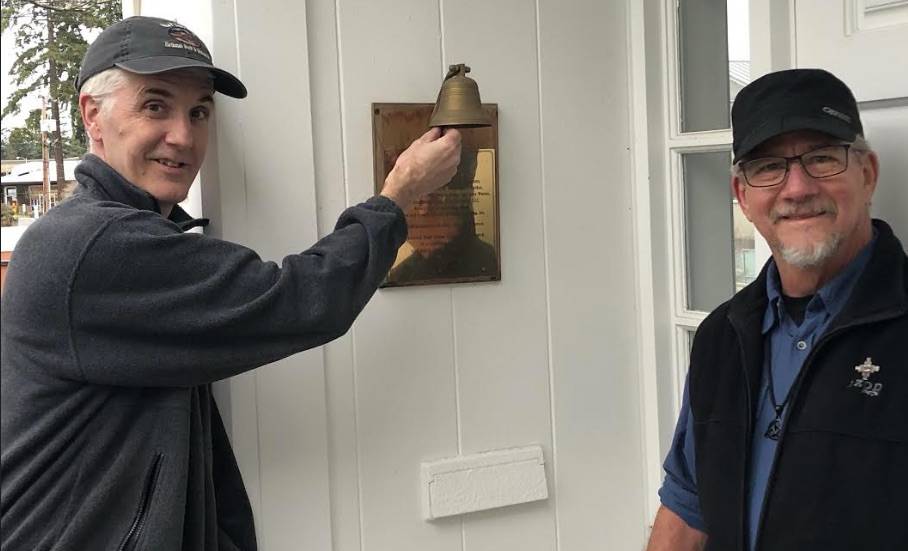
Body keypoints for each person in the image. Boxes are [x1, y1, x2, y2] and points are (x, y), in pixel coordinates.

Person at [0, 16, 460, 551]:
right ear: (92, 115)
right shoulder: (92, 246)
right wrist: (399, 194)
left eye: (199, 111)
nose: (184, 135)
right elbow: (300, 299)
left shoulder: (131, 235)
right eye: (155, 105)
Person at [646, 68, 907, 551]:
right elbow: (687, 508)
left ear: (867, 173)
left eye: (822, 158)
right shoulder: (720, 337)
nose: (797, 188)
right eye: (767, 167)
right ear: (743, 196)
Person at [388, 148, 498, 284]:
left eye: (397, 193)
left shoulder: (402, 278)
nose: (390, 206)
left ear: (421, 201)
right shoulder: (492, 260)